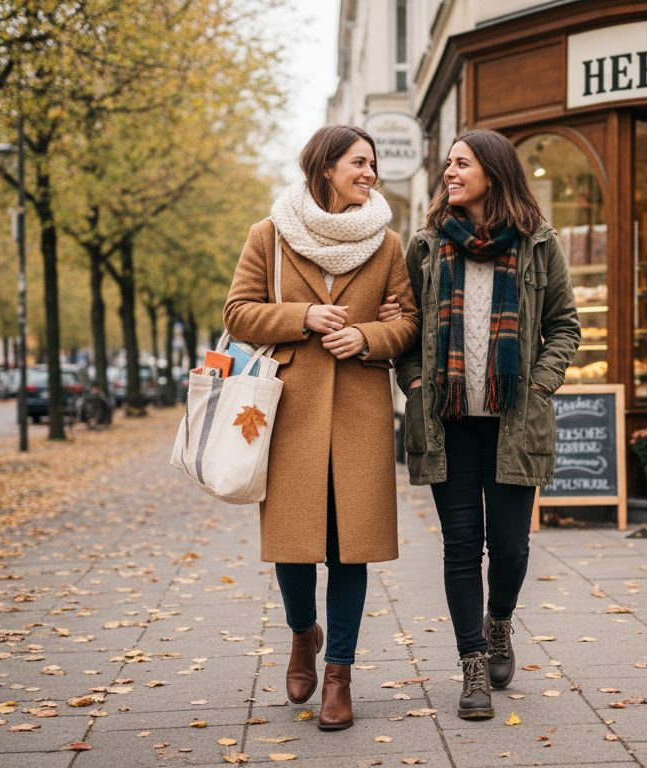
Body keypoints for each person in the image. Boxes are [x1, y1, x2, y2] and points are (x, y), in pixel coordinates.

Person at [223, 125, 419, 731]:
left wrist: (368, 336)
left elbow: (409, 321)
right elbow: (236, 312)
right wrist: (302, 315)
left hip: (359, 410)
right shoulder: (271, 235)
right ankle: (301, 633)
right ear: (325, 167)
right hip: (290, 410)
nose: (370, 173)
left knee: (349, 548)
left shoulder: (387, 244)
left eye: (374, 163)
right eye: (359, 162)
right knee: (293, 545)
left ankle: (339, 674)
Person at [397, 129, 580, 720]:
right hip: (448, 422)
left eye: (461, 163)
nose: (450, 172)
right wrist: (417, 381)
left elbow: (564, 326)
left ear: (493, 173)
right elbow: (403, 326)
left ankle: (498, 621)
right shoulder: (425, 247)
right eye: (448, 164)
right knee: (459, 547)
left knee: (510, 548)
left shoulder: (537, 244)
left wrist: (539, 385)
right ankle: (472, 663)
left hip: (512, 421)